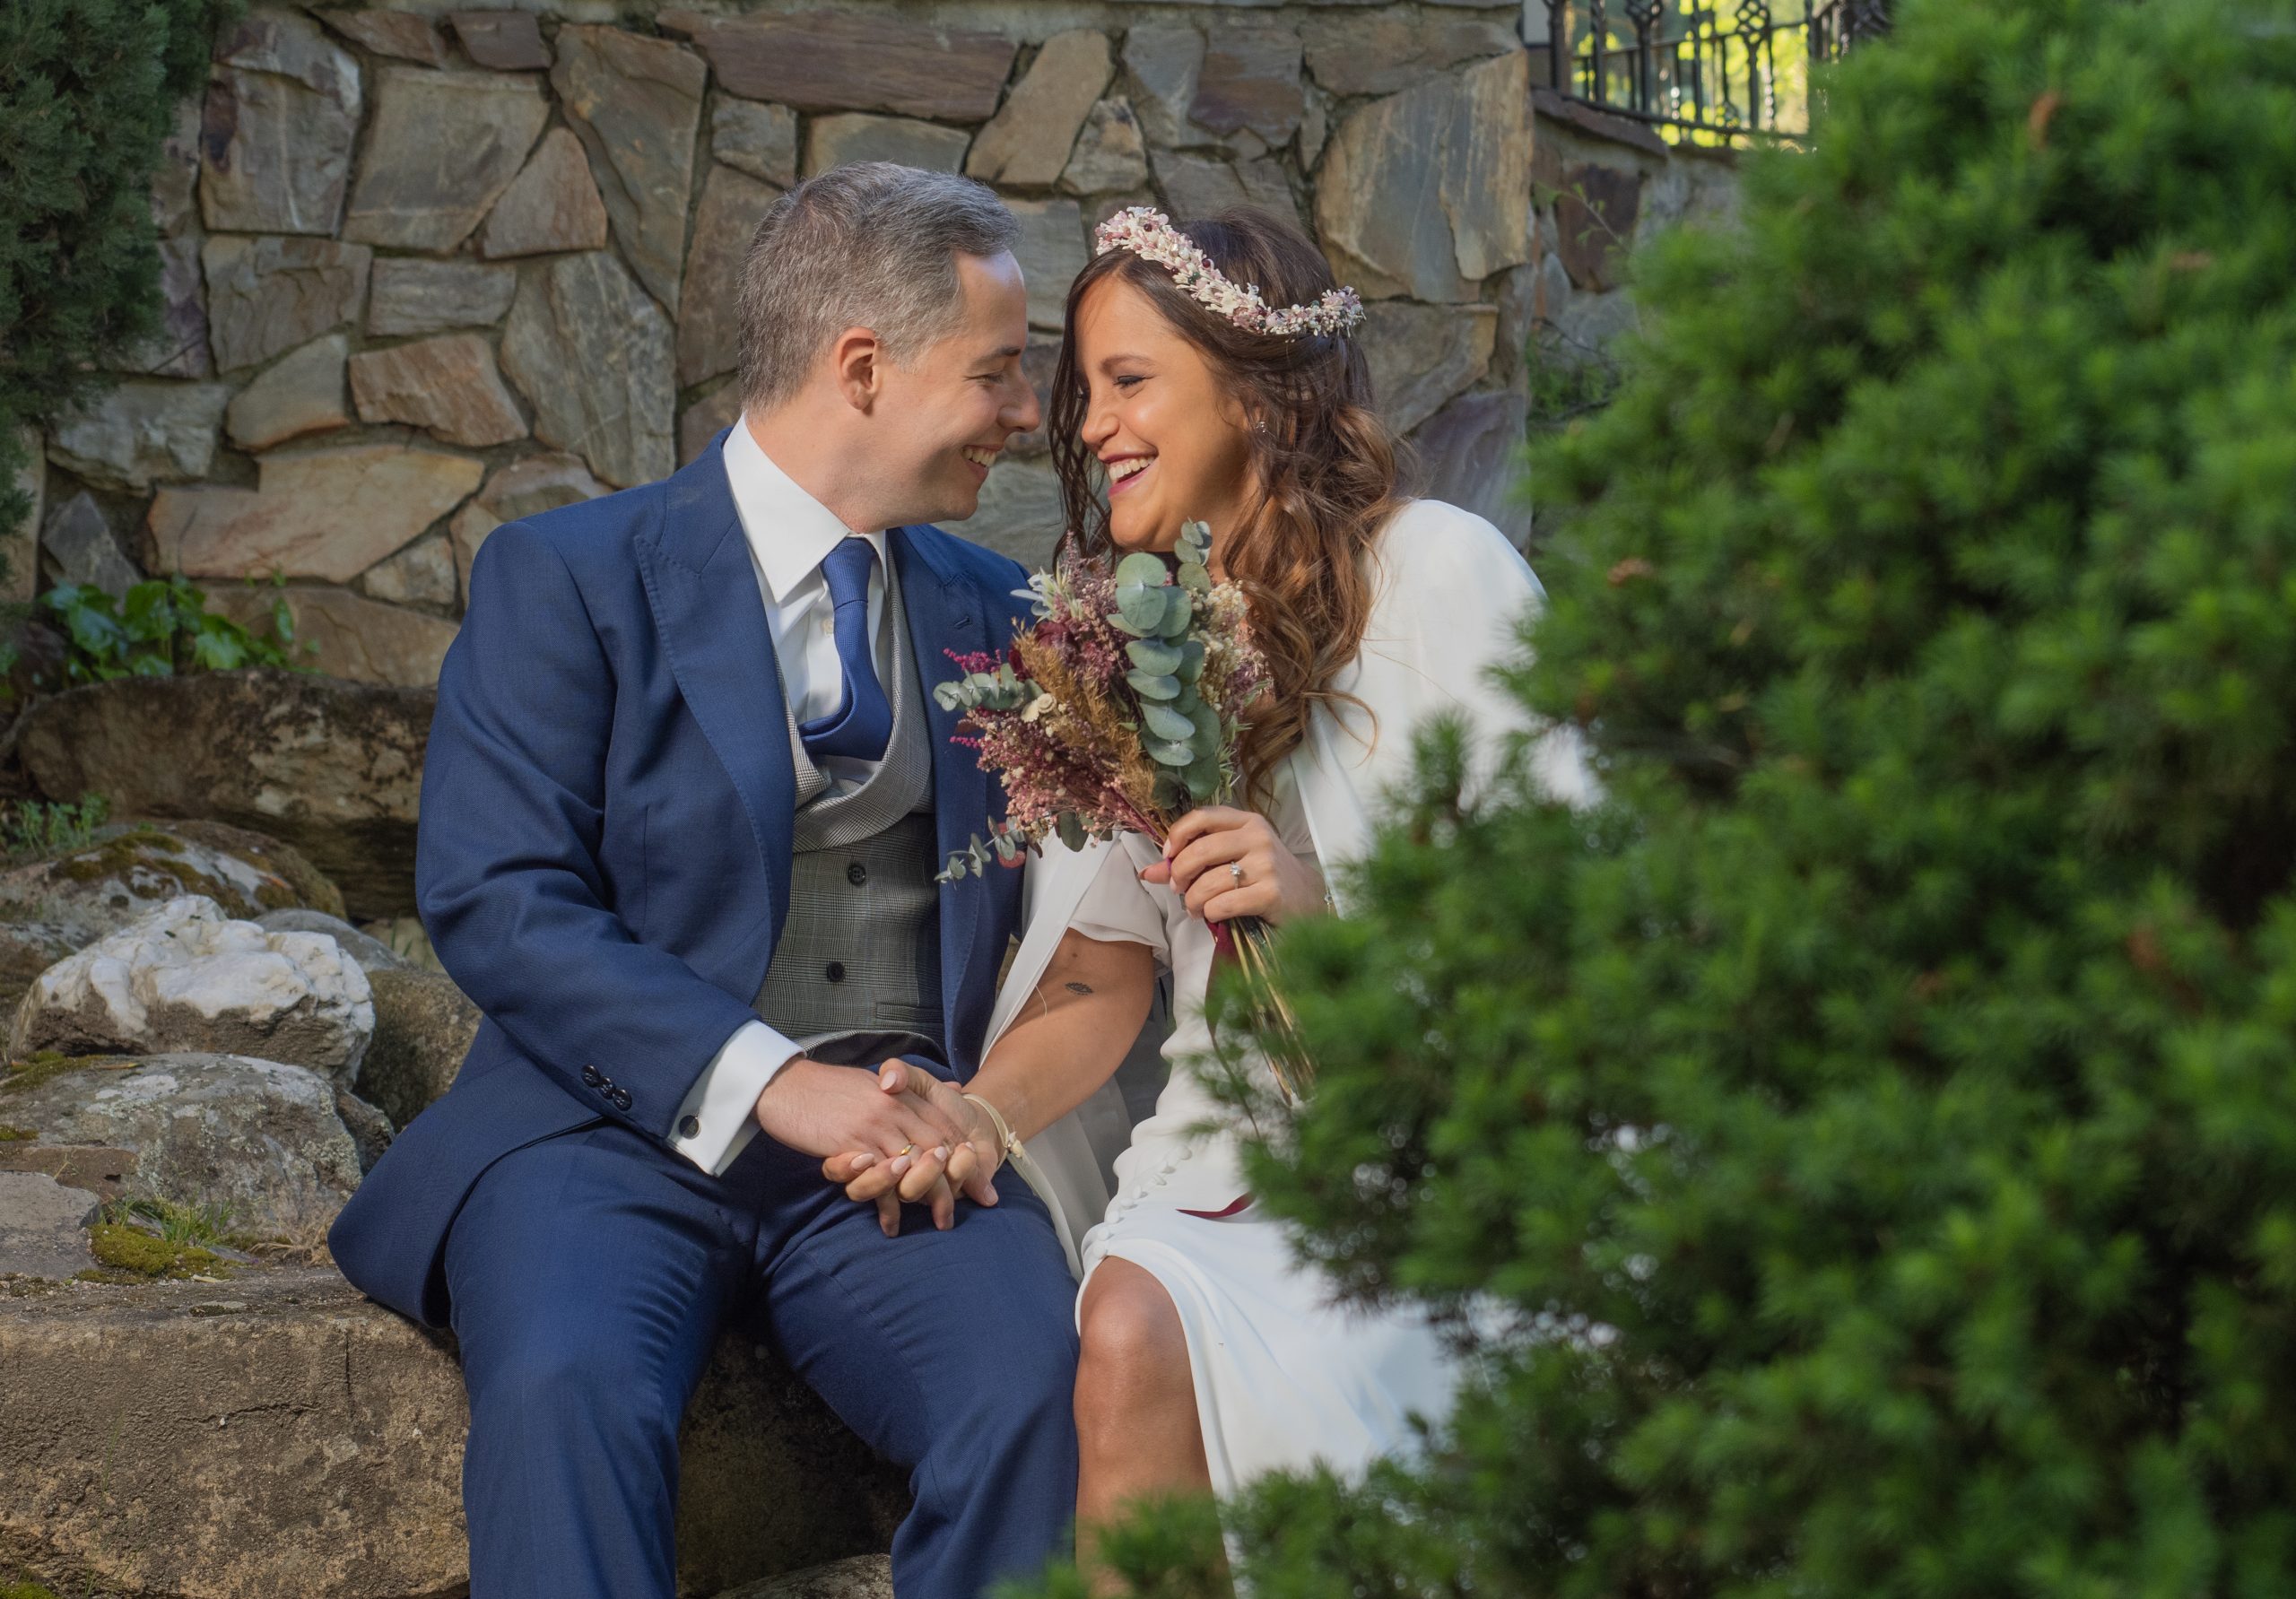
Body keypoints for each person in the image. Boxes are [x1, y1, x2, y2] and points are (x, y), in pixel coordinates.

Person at [326, 163, 1083, 1599]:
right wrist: (769, 1078)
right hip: (597, 1138)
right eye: (1000, 371)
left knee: (1034, 1382)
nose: (1031, 414)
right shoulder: (568, 576)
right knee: (566, 1391)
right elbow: (499, 897)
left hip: (897, 1159)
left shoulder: (1008, 614)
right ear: (864, 367)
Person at [822, 204, 1593, 1581]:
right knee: (1122, 1326)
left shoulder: (1441, 575)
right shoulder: (1117, 633)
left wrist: (1315, 906)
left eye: (1130, 382)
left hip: (1455, 1125)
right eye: (1080, 393)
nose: (1092, 423)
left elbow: (1563, 932)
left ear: (1253, 389)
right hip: (1229, 1143)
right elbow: (1102, 968)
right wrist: (980, 1114)